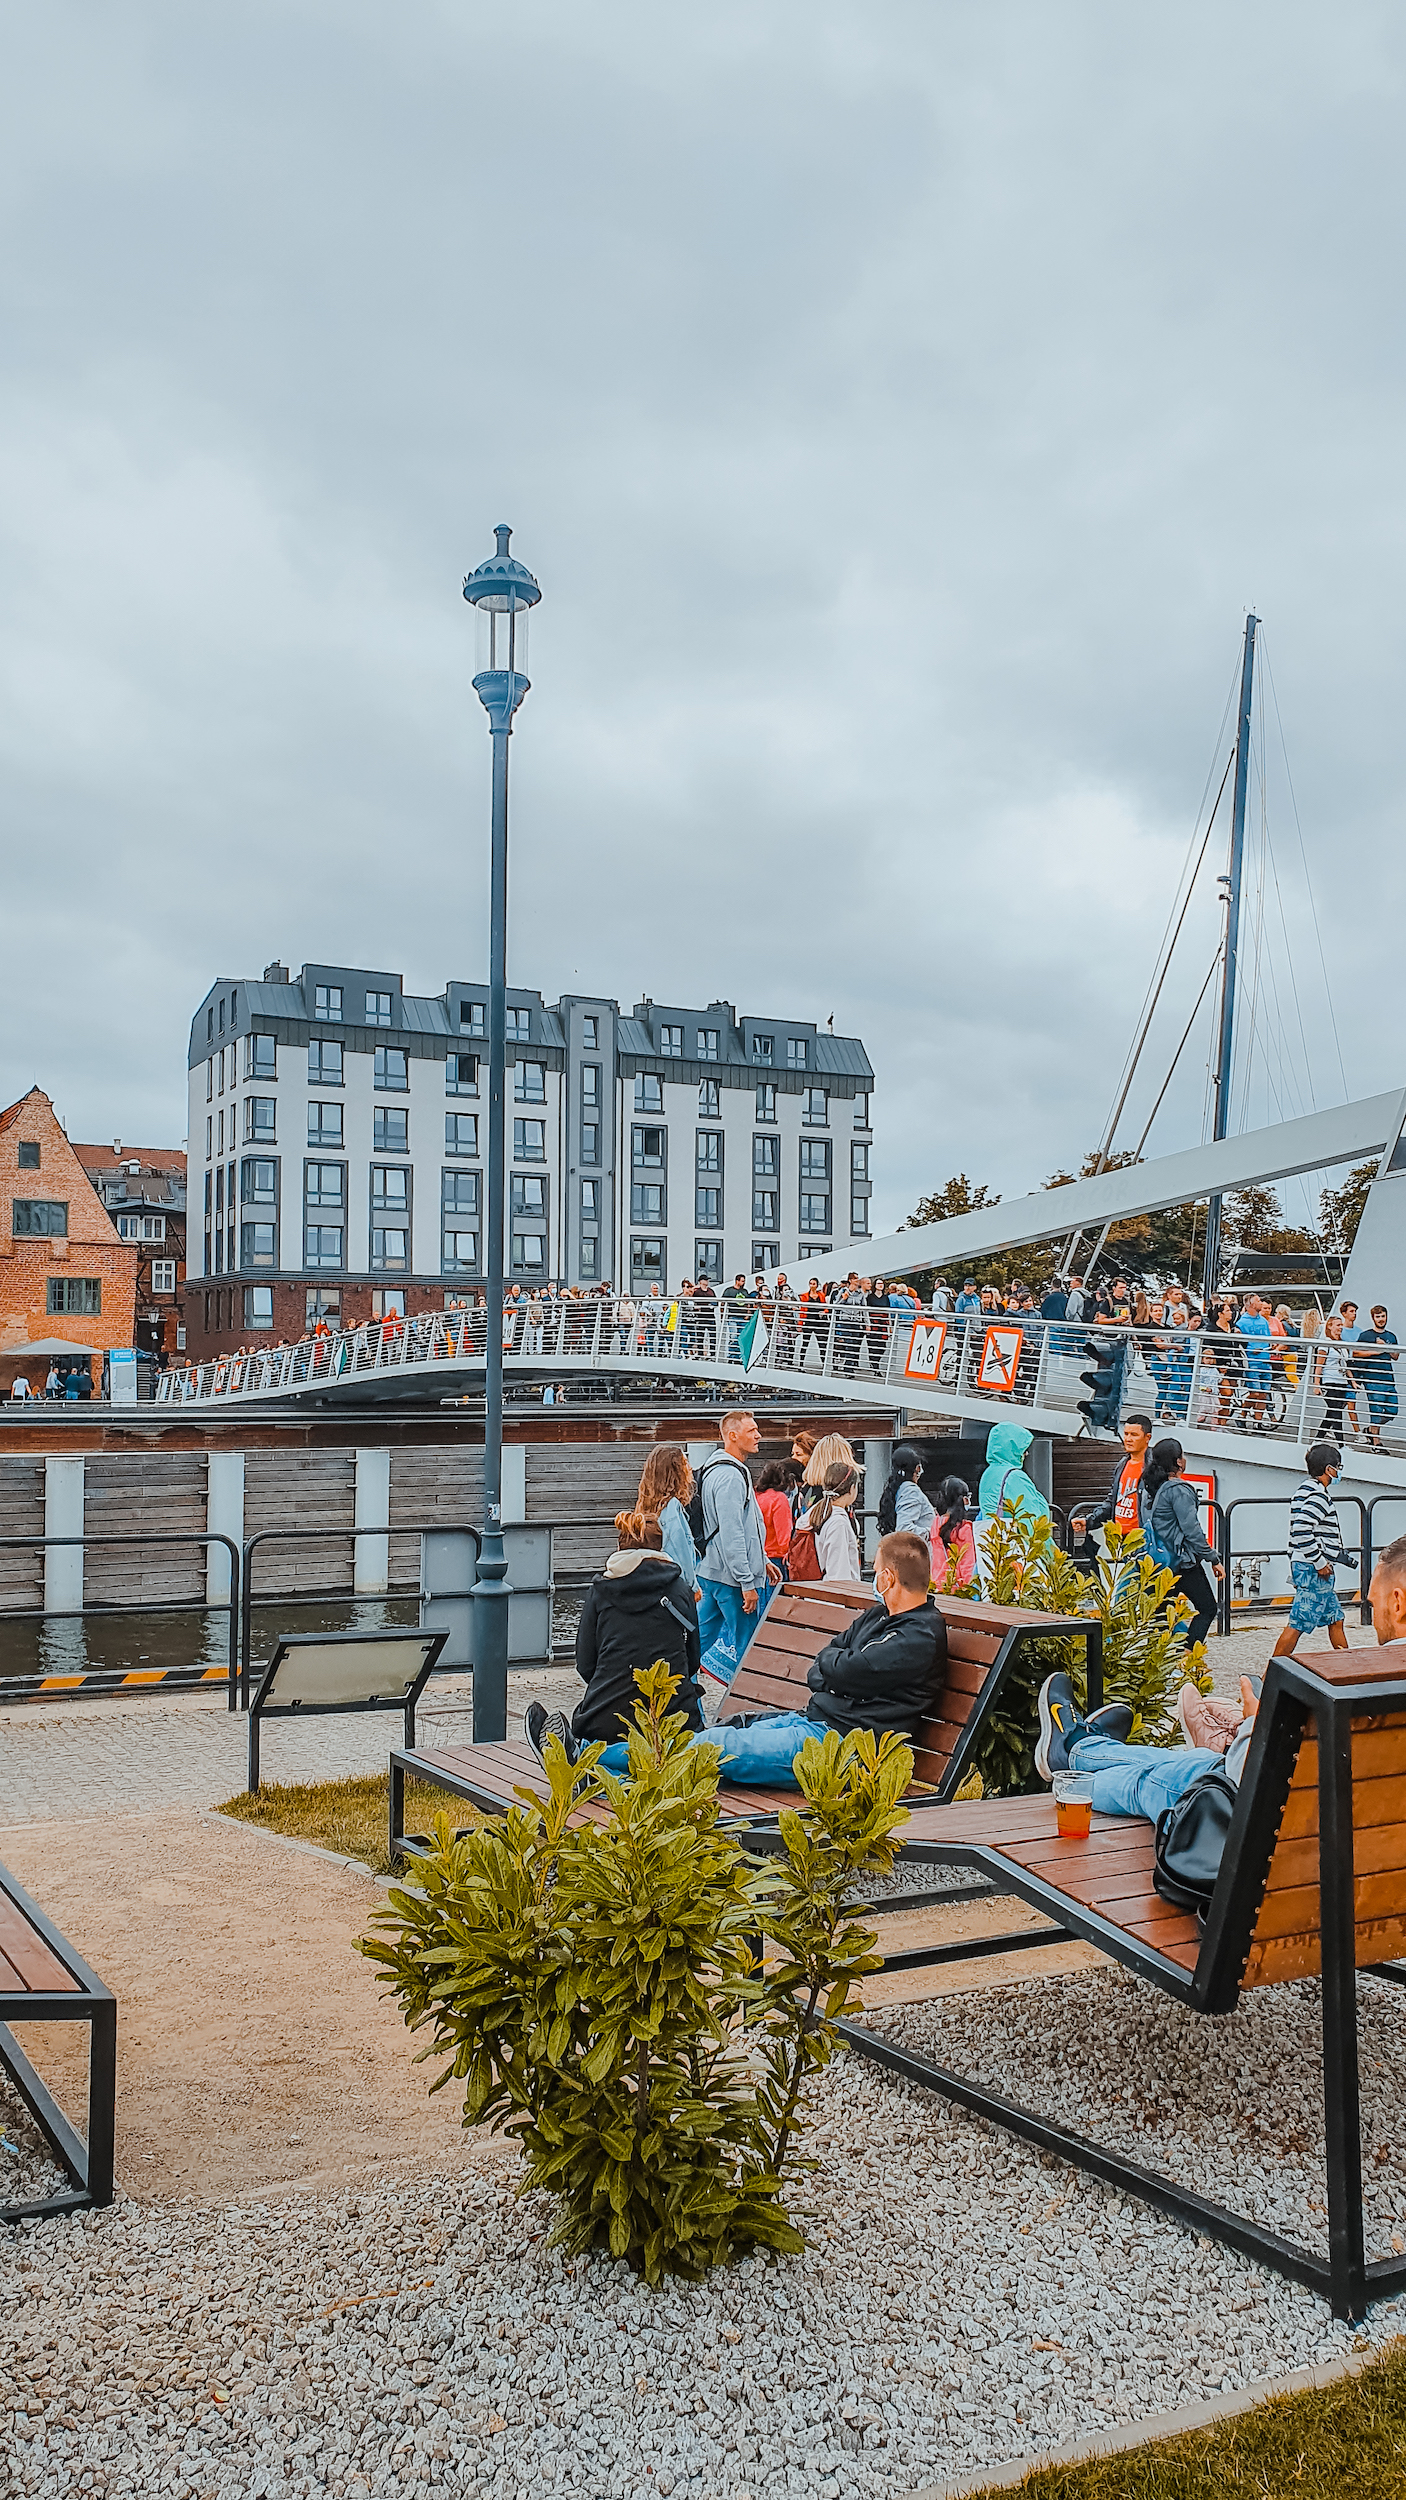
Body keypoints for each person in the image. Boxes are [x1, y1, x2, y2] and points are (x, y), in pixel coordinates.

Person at [525, 1532, 948, 1788]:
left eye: (876, 1567)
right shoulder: (881, 1616)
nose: (874, 1574)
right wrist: (833, 1670)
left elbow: (845, 1667)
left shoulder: (915, 1636)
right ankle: (583, 1756)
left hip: (843, 1749)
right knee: (695, 1746)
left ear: (889, 1577)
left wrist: (833, 1670)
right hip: (816, 1725)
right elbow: (827, 1660)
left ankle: (583, 1763)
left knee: (710, 1748)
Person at [527, 1510, 703, 1752]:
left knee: (601, 1735)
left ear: (619, 1546)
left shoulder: (600, 1591)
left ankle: (578, 1757)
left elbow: (585, 1664)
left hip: (605, 1721)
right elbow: (692, 1662)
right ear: (661, 1548)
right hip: (672, 1721)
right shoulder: (681, 1590)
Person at [1034, 1667, 1260, 1825]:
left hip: (1227, 1816)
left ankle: (1071, 1782)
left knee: (1148, 1782)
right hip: (1258, 1810)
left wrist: (1254, 1723)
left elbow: (1248, 1779)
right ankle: (1082, 1748)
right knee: (1193, 1761)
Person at [693, 1409, 782, 1689]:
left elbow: (739, 1527)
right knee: (747, 1646)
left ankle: (680, 1695)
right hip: (732, 1579)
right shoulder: (731, 1477)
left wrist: (762, 1559)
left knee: (696, 1642)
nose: (758, 1435)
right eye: (751, 1431)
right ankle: (749, 1703)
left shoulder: (712, 1470)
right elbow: (733, 1532)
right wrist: (747, 1581)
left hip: (711, 1571)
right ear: (732, 1436)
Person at [1137, 1436, 1224, 1647]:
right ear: (1178, 1462)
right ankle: (1187, 1655)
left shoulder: (1149, 1488)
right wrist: (1213, 1558)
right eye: (1182, 1456)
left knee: (1158, 1614)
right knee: (1207, 1608)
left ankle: (1159, 1660)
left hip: (1156, 1560)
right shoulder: (1179, 1490)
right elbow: (1191, 1529)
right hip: (1181, 1561)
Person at [1270, 1442, 1354, 1658]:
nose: (1339, 1471)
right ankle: (1270, 1675)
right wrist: (1319, 1562)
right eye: (1338, 1467)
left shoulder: (1303, 1490)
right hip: (1314, 1569)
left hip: (1307, 1565)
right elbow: (1301, 1529)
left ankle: (1347, 1667)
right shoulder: (1319, 1496)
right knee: (1297, 1623)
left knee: (1336, 1619)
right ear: (1329, 1469)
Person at [1070, 1414, 1153, 1553]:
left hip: (1143, 1540)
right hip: (1119, 1540)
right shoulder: (1122, 1464)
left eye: (1134, 1434)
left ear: (1147, 1438)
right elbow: (1112, 1501)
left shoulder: (1153, 1467)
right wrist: (1089, 1521)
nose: (1128, 1439)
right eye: (1126, 1434)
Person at [636, 1445, 700, 1596]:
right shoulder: (672, 1507)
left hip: (654, 1582)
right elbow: (680, 1549)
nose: (690, 1468)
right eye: (685, 1463)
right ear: (675, 1472)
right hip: (675, 1586)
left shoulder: (645, 1506)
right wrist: (693, 1587)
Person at [977, 1422, 1049, 1533]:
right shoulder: (1015, 1477)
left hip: (995, 1541)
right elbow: (1028, 1519)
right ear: (1013, 1449)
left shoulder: (988, 1474)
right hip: (1019, 1543)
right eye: (1022, 1449)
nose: (1026, 1453)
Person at [1352, 1306, 1399, 1450]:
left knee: (1393, 1410)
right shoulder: (1366, 1336)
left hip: (1388, 1378)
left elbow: (1396, 1356)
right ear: (1373, 1318)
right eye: (1378, 1317)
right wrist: (1375, 1351)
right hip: (1372, 1378)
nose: (1381, 1319)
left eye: (1383, 1316)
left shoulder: (1391, 1336)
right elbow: (1356, 1353)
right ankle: (1376, 1443)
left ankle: (1371, 1430)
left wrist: (1385, 1347)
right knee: (1376, 1409)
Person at [813, 1462, 861, 1582]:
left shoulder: (820, 1511)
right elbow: (839, 1571)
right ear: (852, 1488)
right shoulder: (838, 1522)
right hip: (836, 1593)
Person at [877, 1444, 936, 1542]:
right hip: (917, 1553)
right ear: (917, 1469)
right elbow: (904, 1529)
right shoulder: (911, 1491)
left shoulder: (898, 1489)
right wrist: (932, 1532)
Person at [930, 1475, 978, 1591]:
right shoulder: (964, 1529)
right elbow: (968, 1565)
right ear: (964, 1499)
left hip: (936, 1586)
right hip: (957, 1590)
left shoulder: (935, 1524)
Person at [1314, 1313, 1354, 1445]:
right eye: (1338, 1325)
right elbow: (1319, 1365)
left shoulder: (1342, 1344)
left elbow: (1345, 1365)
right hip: (1330, 1380)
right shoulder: (1325, 1343)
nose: (1340, 1327)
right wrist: (1316, 1384)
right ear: (1330, 1327)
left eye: (1341, 1325)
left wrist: (1352, 1381)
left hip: (1341, 1381)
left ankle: (1317, 1440)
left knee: (1333, 1412)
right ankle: (1341, 1444)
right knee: (1336, 1412)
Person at [1236, 1294, 1273, 1428]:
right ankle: (1243, 1414)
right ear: (1250, 1304)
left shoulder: (1263, 1321)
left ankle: (1258, 1422)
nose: (1261, 1303)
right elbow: (1240, 1343)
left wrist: (1272, 1346)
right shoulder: (1241, 1322)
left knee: (1263, 1394)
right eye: (1258, 1301)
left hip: (1265, 1359)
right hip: (1252, 1361)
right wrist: (1251, 1349)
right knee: (1255, 1393)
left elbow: (1268, 1337)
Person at [754, 1459, 799, 1569]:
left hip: (756, 1556)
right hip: (775, 1558)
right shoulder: (779, 1499)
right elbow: (783, 1536)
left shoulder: (755, 1496)